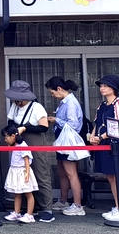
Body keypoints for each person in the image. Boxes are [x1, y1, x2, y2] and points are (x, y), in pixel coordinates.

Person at [5, 80, 53, 222]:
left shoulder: (37, 107)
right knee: (21, 173)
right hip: (19, 143)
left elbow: (44, 127)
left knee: (39, 172)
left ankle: (47, 208)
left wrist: (26, 128)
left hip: (35, 141)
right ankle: (27, 208)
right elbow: (10, 122)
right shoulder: (14, 106)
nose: (16, 100)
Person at [45, 76, 85, 216]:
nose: (52, 95)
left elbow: (73, 124)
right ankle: (63, 200)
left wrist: (56, 120)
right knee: (62, 172)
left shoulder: (70, 103)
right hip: (62, 140)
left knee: (71, 173)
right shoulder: (64, 102)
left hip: (68, 141)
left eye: (52, 92)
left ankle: (78, 205)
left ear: (59, 89)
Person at [88, 75, 119, 221]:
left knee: (116, 176)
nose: (102, 88)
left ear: (114, 88)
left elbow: (117, 127)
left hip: (115, 144)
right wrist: (93, 137)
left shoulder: (117, 104)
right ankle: (117, 206)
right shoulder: (102, 105)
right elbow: (96, 123)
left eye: (106, 86)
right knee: (111, 177)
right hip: (103, 144)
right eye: (101, 86)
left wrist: (101, 137)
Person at [2, 123, 38, 223]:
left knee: (28, 193)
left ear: (13, 136)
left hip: (22, 171)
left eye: (6, 137)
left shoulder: (22, 145)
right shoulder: (15, 145)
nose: (5, 140)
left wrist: (27, 173)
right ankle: (17, 212)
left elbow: (26, 159)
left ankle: (29, 215)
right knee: (17, 193)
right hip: (15, 170)